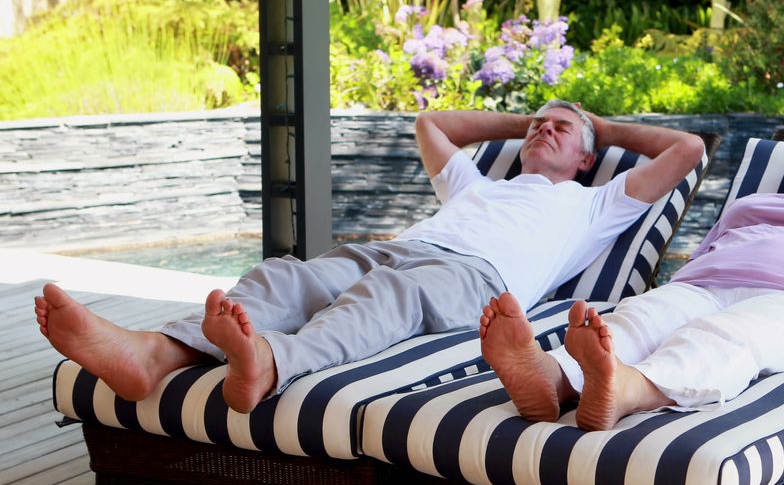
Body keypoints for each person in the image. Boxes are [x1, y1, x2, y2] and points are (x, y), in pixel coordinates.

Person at [34, 100, 705, 413]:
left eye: (558, 130)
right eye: (538, 124)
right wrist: (528, 119)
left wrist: (591, 121)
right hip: (405, 247)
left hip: (472, 281)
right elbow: (431, 125)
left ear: (587, 159)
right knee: (287, 275)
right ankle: (152, 354)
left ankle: (270, 362)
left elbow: (687, 150)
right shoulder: (478, 182)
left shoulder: (595, 202)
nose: (542, 129)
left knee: (383, 302)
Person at [479, 100, 784, 431]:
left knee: (726, 337)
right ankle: (550, 378)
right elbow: (699, 261)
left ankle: (628, 390)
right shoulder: (751, 203)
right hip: (705, 285)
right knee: (640, 319)